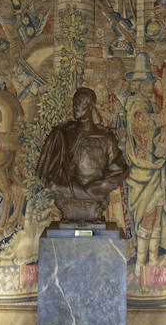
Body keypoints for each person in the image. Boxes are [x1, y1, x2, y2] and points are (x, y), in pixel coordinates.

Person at [37, 87, 128, 223]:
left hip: (95, 199)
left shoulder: (105, 137)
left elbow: (118, 171)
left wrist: (96, 189)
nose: (76, 106)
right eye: (74, 102)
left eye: (81, 102)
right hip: (67, 193)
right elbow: (48, 173)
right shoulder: (62, 134)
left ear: (91, 106)